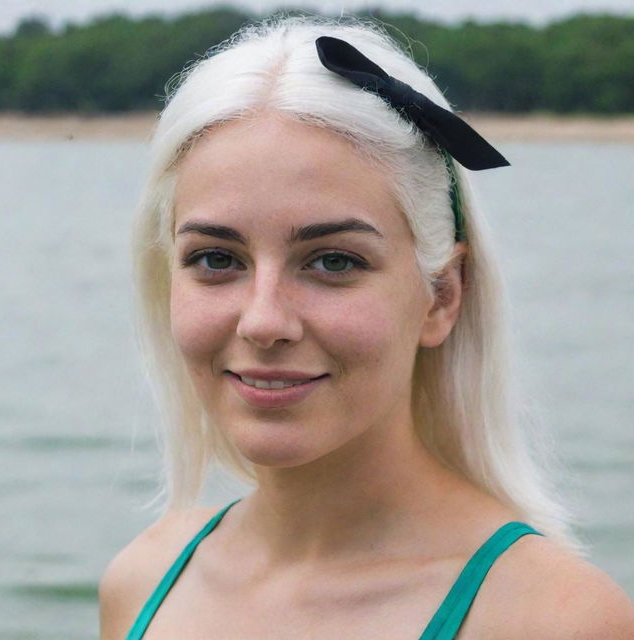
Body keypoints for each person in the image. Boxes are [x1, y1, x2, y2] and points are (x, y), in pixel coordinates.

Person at [99, 15, 634, 640]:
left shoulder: (550, 618)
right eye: (216, 260)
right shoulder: (143, 582)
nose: (265, 319)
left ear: (441, 295)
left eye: (333, 261)